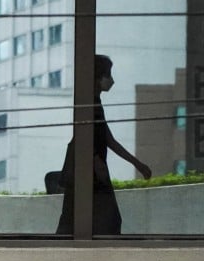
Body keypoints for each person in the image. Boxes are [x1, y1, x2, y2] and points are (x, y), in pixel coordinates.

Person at [56, 55, 151, 235]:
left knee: (75, 222)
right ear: (97, 78)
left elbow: (108, 140)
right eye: (108, 75)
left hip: (89, 173)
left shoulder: (94, 105)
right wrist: (96, 162)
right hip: (90, 175)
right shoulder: (90, 106)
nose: (112, 80)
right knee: (105, 222)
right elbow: (90, 139)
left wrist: (137, 163)